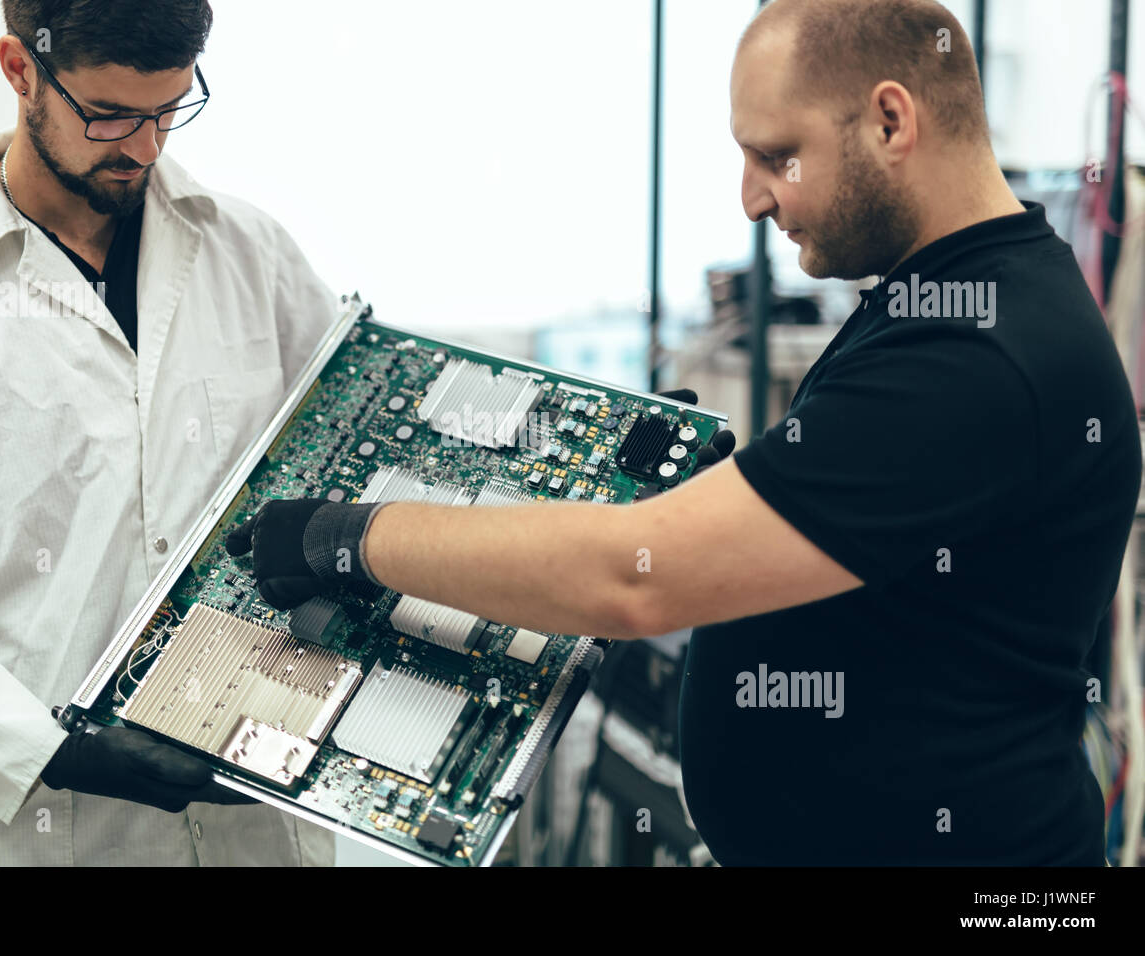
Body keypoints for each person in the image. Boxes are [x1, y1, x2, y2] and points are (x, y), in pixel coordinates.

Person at [224, 0, 1140, 865]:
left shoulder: (976, 351)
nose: (752, 199)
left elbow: (634, 578)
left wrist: (348, 537)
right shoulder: (947, 300)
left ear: (891, 122)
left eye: (776, 156)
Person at [0, 0, 336, 865]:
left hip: (260, 826)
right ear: (19, 69)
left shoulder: (254, 256)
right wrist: (54, 751)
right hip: (57, 837)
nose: (145, 148)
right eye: (109, 115)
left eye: (169, 109)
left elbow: (349, 471)